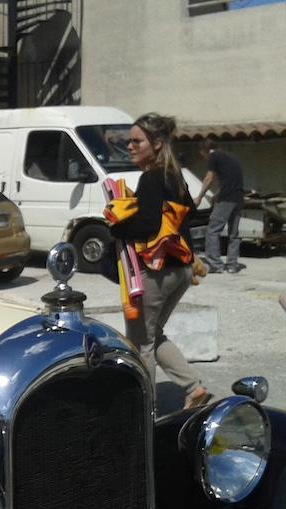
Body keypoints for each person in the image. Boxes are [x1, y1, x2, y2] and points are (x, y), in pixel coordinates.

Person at [108, 113, 211, 410]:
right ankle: (194, 387)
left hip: (157, 272)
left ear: (156, 143)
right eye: (128, 141)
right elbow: (189, 211)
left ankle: (143, 411)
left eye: (136, 141)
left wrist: (116, 226)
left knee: (141, 343)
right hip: (181, 270)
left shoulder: (152, 177)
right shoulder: (174, 174)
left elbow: (148, 226)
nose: (130, 146)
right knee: (154, 335)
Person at [195, 138, 245, 274]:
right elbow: (231, 181)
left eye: (202, 155)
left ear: (204, 151)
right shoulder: (230, 157)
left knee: (212, 230)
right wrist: (216, 195)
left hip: (227, 199)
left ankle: (215, 264)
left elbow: (208, 178)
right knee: (233, 234)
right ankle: (232, 265)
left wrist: (199, 197)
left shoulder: (213, 156)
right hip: (239, 198)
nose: (203, 158)